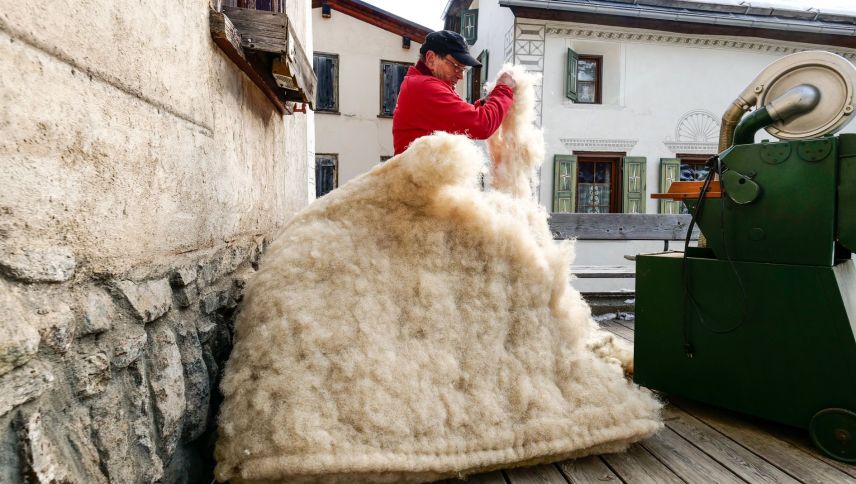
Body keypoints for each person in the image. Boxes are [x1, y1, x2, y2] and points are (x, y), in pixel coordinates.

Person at [392, 30, 516, 155]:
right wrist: (504, 89)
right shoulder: (424, 87)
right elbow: (482, 125)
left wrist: (484, 103)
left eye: (463, 69)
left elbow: (459, 119)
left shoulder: (421, 84)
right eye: (456, 66)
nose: (461, 75)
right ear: (431, 59)